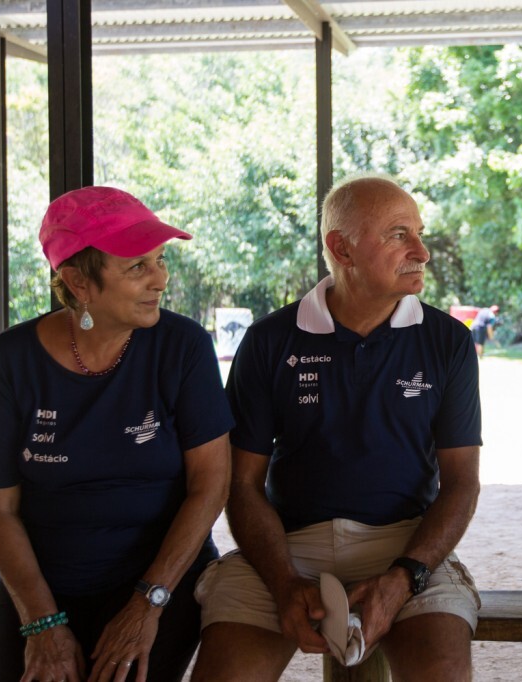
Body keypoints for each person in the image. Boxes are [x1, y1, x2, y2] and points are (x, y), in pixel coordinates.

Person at [192, 174, 482, 681]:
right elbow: (240, 485)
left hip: (407, 543)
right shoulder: (268, 342)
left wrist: (403, 579)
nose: (422, 251)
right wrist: (284, 584)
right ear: (341, 248)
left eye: (419, 232)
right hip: (288, 547)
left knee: (443, 670)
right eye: (398, 234)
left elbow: (461, 483)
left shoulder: (447, 342)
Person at [0, 186, 233, 682]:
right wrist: (42, 622)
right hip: (42, 586)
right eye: (138, 267)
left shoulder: (183, 347)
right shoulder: (10, 362)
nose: (161, 279)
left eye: (160, 260)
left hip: (161, 577)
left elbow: (210, 485)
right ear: (77, 282)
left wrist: (148, 603)